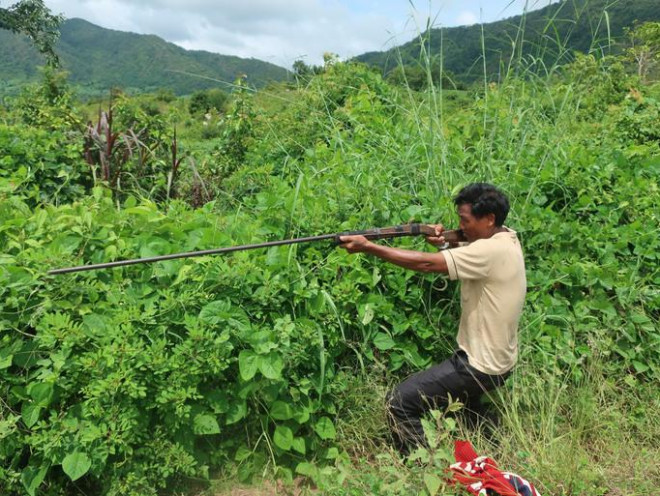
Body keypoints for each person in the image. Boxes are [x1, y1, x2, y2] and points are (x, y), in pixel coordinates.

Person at [338, 183, 526, 454]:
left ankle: (422, 466)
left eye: (465, 221)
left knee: (399, 402)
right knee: (466, 409)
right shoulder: (506, 237)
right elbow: (467, 241)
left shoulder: (489, 251)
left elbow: (427, 264)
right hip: (501, 362)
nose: (461, 226)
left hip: (479, 365)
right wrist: (448, 239)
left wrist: (370, 247)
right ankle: (489, 448)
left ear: (489, 219)